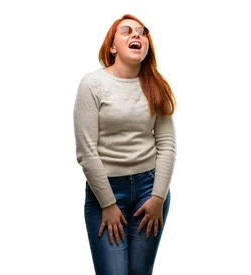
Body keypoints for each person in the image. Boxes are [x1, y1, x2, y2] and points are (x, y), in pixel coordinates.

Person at [73, 14, 176, 275]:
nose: (136, 35)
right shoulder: (93, 84)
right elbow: (87, 151)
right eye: (127, 31)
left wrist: (157, 197)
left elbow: (167, 144)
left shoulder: (156, 85)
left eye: (142, 32)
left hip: (149, 192)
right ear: (112, 47)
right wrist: (108, 204)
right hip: (106, 192)